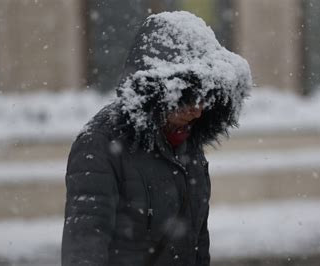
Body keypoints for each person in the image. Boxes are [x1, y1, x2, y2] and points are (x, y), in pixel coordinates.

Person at [61, 11, 251, 266]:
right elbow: (85, 245)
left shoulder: (188, 144)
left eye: (206, 98)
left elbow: (198, 244)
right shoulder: (98, 144)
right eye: (187, 97)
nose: (198, 110)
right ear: (157, 91)